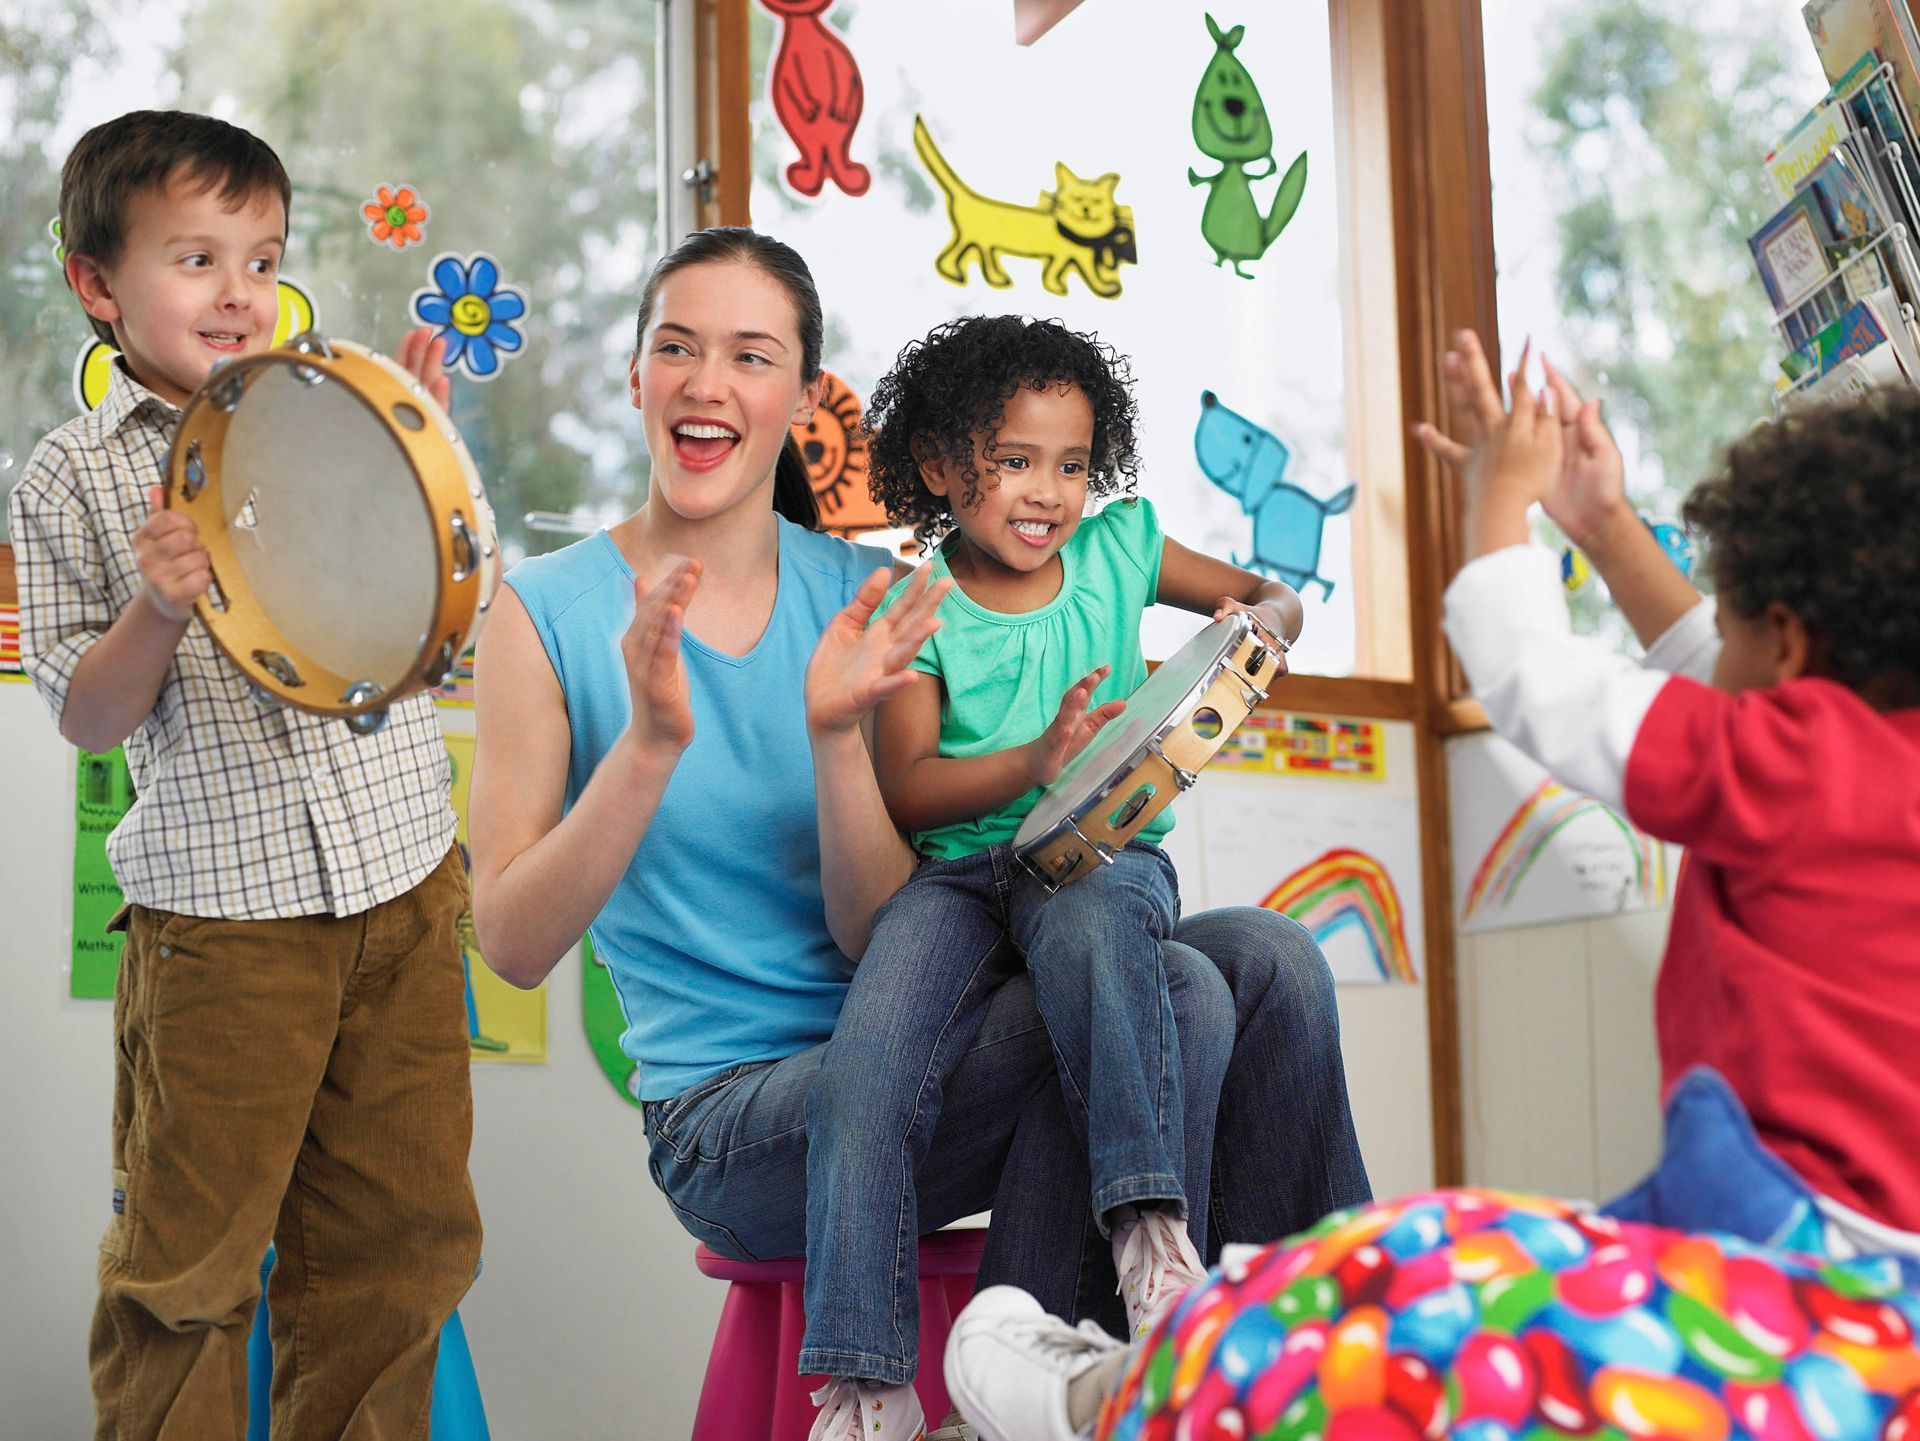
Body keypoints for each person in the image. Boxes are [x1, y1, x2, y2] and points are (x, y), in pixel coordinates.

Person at [469, 227, 1370, 1441]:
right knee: (1182, 994)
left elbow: (874, 922)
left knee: (1268, 958)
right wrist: (646, 749)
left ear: (796, 394)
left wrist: (877, 747)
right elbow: (511, 948)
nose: (706, 382)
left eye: (750, 354)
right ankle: (1046, 1385)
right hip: (736, 1120)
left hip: (922, 1033)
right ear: (636, 375)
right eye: (676, 348)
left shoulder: (882, 600)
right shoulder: (543, 613)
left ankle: (1303, 1359)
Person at [940, 330, 1920, 1440]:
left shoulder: (1797, 763)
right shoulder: (1879, 766)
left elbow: (1532, 671)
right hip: (1860, 1294)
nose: (1715, 656)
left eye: (1735, 613)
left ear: (1789, 644)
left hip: (1784, 1270)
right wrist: (1599, 522)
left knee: (1410, 1269)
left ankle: (1104, 1397)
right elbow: (1714, 667)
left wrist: (1501, 501)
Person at [8, 109, 480, 1440]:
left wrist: (402, 451)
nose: (238, 293)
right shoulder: (72, 474)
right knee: (190, 1274)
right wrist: (154, 607)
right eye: (196, 258)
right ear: (97, 284)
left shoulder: (320, 412)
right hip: (224, 928)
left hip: (400, 887)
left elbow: (409, 618)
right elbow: (87, 717)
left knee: (398, 1253)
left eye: (261, 260)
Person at [802, 314, 1304, 1386]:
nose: (1048, 491)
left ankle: (1150, 1236)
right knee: (866, 1069)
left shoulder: (1121, 549)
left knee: (1100, 938)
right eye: (1015, 461)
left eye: (1070, 465)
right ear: (938, 465)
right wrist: (1032, 760)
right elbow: (909, 785)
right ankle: (862, 1379)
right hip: (957, 878)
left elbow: (1272, 598)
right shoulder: (913, 604)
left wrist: (1263, 619)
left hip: (1101, 859)